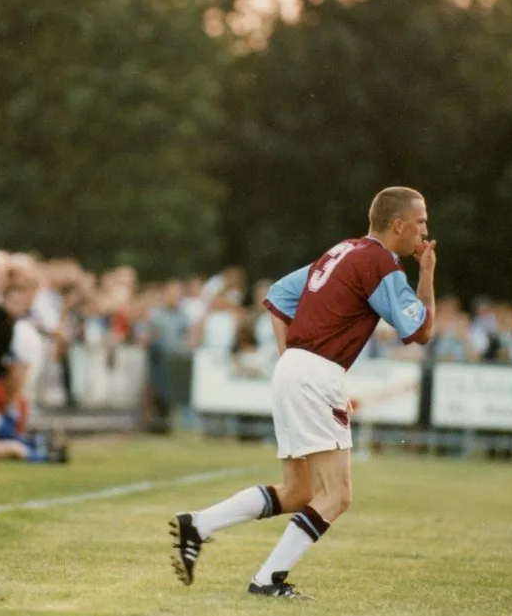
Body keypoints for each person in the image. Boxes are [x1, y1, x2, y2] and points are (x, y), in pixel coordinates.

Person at [169, 186, 436, 599]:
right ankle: (266, 579)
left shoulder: (341, 251)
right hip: (315, 372)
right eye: (420, 222)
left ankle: (198, 525)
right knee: (337, 495)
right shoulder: (381, 262)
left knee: (299, 492)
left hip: (295, 368)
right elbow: (420, 331)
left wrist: (291, 359)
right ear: (397, 223)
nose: (424, 231)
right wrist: (428, 272)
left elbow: (276, 296)